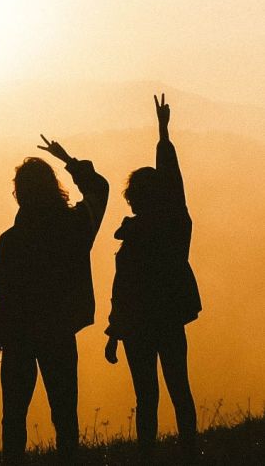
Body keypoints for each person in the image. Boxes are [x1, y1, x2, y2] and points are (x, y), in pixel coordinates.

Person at [0, 135, 109, 464]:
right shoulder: (75, 226)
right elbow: (100, 189)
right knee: (64, 412)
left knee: (14, 415)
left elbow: (4, 296)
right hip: (59, 330)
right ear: (53, 187)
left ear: (19, 194)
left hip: (18, 336)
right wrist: (69, 160)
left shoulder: (11, 240)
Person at [104, 94, 200, 461]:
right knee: (179, 389)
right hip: (168, 319)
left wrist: (115, 331)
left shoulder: (141, 234)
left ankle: (147, 456)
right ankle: (189, 452)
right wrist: (163, 134)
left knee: (146, 396)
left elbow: (122, 291)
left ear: (134, 198)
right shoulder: (175, 226)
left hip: (137, 326)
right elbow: (174, 184)